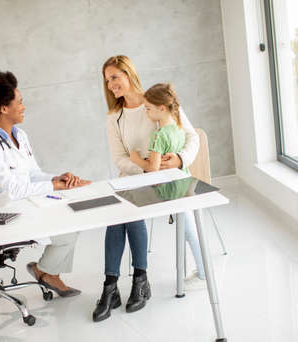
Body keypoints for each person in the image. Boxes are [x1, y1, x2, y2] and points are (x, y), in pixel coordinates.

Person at [92, 55, 201, 323]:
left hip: (168, 179)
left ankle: (137, 281)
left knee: (134, 213)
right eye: (107, 80)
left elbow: (191, 136)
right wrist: (145, 171)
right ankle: (113, 286)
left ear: (129, 74)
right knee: (118, 215)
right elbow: (118, 157)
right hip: (135, 178)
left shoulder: (157, 101)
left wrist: (179, 159)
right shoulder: (114, 117)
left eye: (115, 77)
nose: (111, 85)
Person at [0, 70, 90, 297]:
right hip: (1, 215)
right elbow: (14, 189)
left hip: (26, 204)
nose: (24, 106)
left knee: (72, 222)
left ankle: (47, 273)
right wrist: (54, 186)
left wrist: (58, 178)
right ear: (3, 108)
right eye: (20, 102)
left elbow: (33, 174)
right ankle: (46, 273)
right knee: (67, 230)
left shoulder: (21, 136)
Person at [130, 82, 206, 286]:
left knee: (189, 231)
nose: (146, 113)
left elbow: (153, 169)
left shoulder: (159, 135)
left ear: (161, 108)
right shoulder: (179, 129)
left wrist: (135, 158)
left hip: (171, 191)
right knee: (189, 228)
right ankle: (199, 269)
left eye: (148, 109)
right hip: (185, 183)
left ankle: (203, 272)